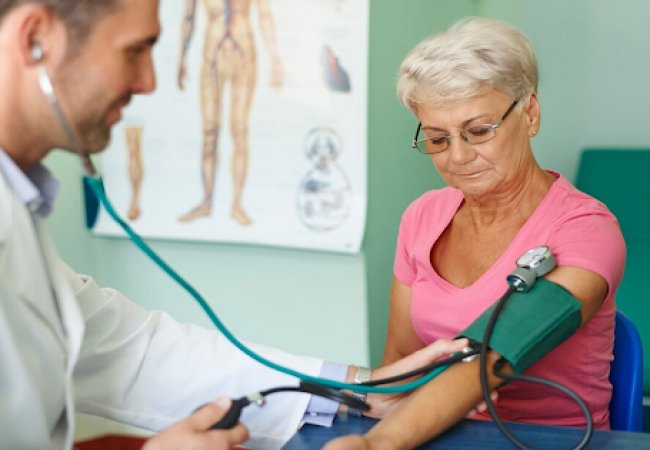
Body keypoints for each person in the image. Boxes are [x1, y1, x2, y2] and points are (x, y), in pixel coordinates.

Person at [0, 1, 474, 449]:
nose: (147, 82)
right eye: (134, 51)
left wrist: (359, 387)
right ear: (35, 38)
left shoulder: (19, 205)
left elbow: (132, 350)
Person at [324, 17, 626, 449]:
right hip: (437, 435)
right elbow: (401, 366)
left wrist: (380, 444)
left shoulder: (587, 229)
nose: (459, 157)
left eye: (479, 131)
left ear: (530, 113)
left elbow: (493, 353)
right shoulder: (423, 217)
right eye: (438, 139)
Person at [176, 0, 284, 226]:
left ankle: (236, 205)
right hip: (212, 56)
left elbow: (265, 14)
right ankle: (207, 202)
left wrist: (275, 58)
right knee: (209, 131)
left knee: (240, 130)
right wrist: (182, 58)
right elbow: (189, 17)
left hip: (243, 54)